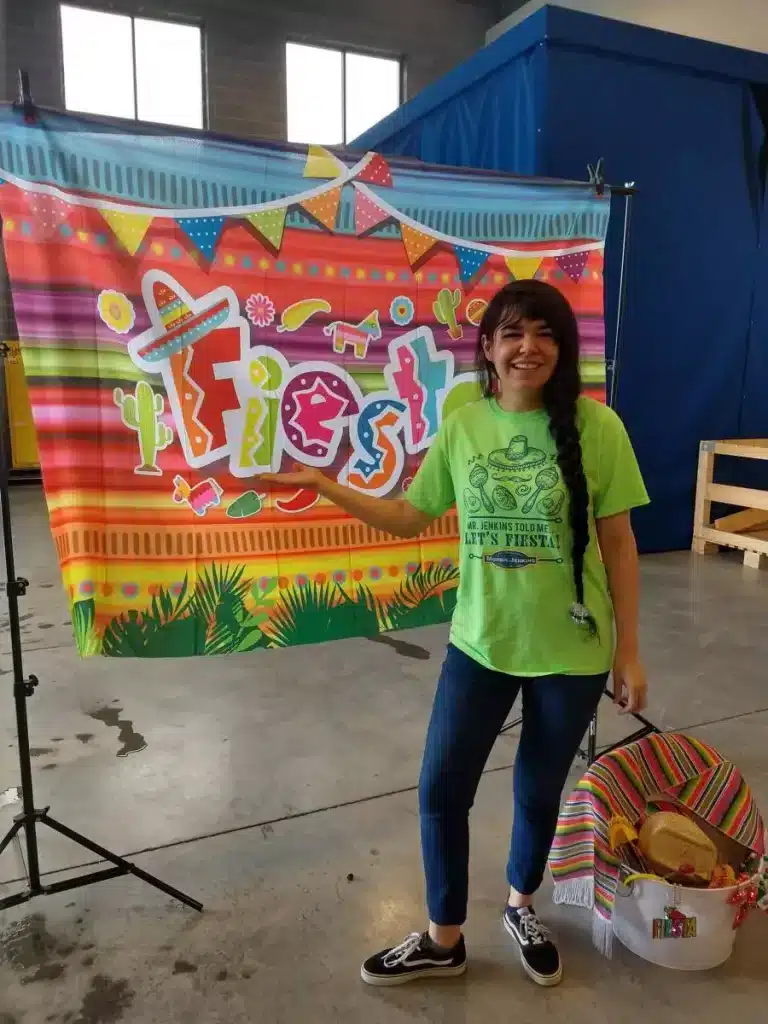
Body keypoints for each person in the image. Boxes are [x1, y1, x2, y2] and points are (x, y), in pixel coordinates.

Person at [261, 279, 649, 989]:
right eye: (512, 333)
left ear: (562, 351)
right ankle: (444, 937)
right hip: (481, 642)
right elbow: (413, 516)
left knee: (537, 792)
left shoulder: (600, 429)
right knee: (442, 788)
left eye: (544, 334)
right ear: (489, 347)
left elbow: (619, 543)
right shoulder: (465, 423)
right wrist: (324, 483)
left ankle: (521, 904)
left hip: (573, 651)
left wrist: (627, 649)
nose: (528, 347)